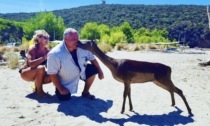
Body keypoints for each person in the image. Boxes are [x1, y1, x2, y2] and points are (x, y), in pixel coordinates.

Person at [47, 28, 104, 100]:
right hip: (66, 80)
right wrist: (61, 89)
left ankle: (85, 92)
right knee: (64, 97)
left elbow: (93, 60)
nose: (76, 41)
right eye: (73, 39)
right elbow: (52, 74)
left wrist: (100, 71)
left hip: (81, 72)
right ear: (65, 39)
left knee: (93, 69)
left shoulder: (83, 47)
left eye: (77, 38)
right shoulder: (55, 54)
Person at [19, 30, 51, 98]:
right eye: (45, 37)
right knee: (41, 68)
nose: (47, 39)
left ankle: (37, 89)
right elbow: (31, 64)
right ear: (38, 38)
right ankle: (40, 92)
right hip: (26, 73)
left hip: (37, 73)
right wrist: (45, 57)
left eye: (48, 37)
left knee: (53, 75)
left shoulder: (47, 50)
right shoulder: (33, 48)